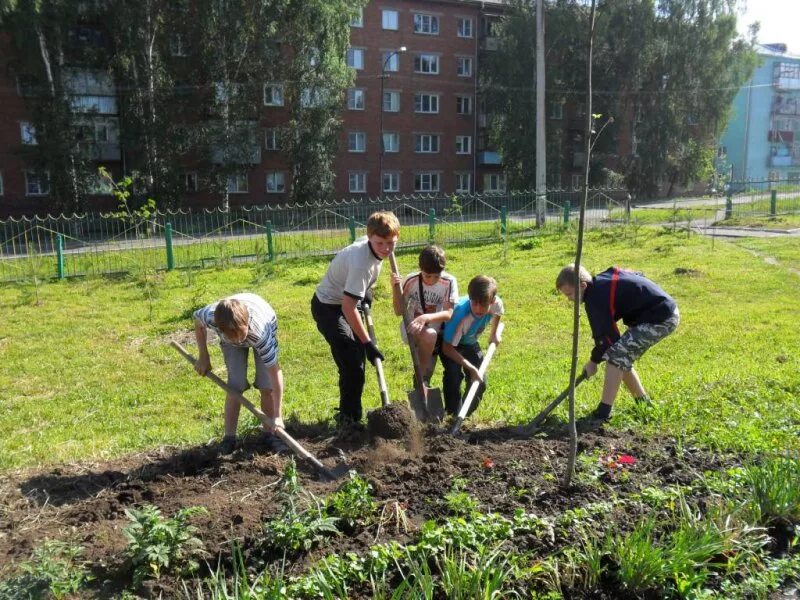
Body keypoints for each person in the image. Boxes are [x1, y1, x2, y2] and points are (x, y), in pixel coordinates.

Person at [311, 211, 400, 432]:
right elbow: (348, 307)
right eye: (380, 243)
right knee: (352, 360)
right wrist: (368, 343)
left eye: (391, 243)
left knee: (355, 359)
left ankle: (351, 415)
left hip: (346, 301)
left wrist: (365, 291)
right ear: (369, 237)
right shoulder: (362, 264)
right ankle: (348, 419)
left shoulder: (370, 245)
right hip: (328, 307)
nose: (386, 249)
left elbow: (353, 294)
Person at [556, 264, 680, 421]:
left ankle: (603, 413)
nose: (570, 299)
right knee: (621, 356)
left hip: (661, 318)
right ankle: (644, 404)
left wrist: (593, 362)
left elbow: (605, 339)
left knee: (615, 357)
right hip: (658, 312)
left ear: (582, 285)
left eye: (570, 294)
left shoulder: (595, 299)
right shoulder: (600, 285)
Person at [193, 293, 286, 454]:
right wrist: (203, 356)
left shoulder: (260, 334)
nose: (237, 341)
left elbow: (275, 373)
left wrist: (278, 415)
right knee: (235, 386)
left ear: (247, 323)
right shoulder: (211, 317)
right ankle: (229, 438)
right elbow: (197, 321)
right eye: (231, 337)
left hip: (264, 319)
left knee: (267, 386)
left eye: (239, 335)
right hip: (235, 328)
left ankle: (271, 433)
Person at [390, 245, 458, 382]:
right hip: (412, 330)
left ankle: (421, 382)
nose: (432, 280)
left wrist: (426, 317)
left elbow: (449, 314)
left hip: (435, 334)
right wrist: (395, 289)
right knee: (429, 336)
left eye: (436, 276)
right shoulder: (411, 280)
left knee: (428, 372)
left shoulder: (449, 282)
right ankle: (420, 379)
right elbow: (398, 311)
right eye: (427, 276)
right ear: (420, 269)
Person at [440, 275, 504, 417]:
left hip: (469, 343)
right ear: (470, 298)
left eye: (483, 304)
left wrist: (493, 334)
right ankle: (452, 413)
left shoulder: (495, 303)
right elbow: (446, 348)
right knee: (454, 376)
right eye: (474, 303)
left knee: (480, 381)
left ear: (492, 301)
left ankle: (463, 416)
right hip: (451, 345)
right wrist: (470, 367)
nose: (478, 308)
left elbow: (498, 312)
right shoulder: (459, 313)